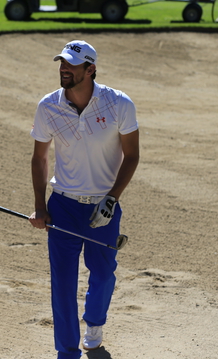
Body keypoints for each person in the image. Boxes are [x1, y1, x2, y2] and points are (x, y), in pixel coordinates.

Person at [29, 40, 140, 359]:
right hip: (63, 205)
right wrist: (40, 205)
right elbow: (39, 158)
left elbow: (131, 156)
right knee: (62, 282)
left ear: (90, 69)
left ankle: (94, 323)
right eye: (62, 63)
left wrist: (112, 198)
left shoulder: (119, 104)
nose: (64, 68)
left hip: (103, 206)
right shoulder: (48, 106)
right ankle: (67, 351)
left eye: (71, 64)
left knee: (103, 274)